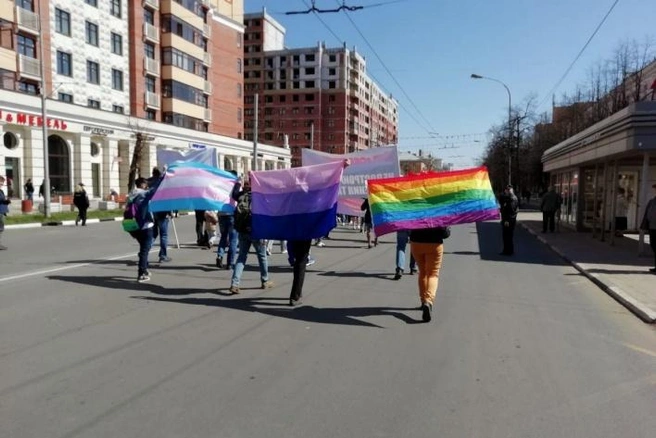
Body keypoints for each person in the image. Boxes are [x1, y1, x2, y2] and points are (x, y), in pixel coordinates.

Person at [228, 177, 274, 294]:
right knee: (262, 256)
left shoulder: (241, 196)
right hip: (256, 231)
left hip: (242, 231)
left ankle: (235, 283)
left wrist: (238, 183)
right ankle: (265, 280)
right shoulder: (259, 197)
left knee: (241, 257)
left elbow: (233, 194)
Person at [410, 225, 450, 322]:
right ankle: (428, 301)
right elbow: (445, 233)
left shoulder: (415, 210)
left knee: (422, 272)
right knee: (433, 274)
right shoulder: (437, 210)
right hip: (434, 244)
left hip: (416, 242)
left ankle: (423, 300)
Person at [128, 177, 156, 282]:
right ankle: (141, 273)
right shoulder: (143, 194)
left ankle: (144, 268)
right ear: (142, 184)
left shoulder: (131, 194)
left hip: (134, 226)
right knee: (145, 250)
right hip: (146, 225)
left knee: (144, 249)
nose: (147, 185)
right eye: (146, 184)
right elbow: (155, 189)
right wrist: (164, 176)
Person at [149, 167, 172, 263]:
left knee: (154, 234)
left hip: (153, 211)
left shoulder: (150, 182)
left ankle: (145, 250)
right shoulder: (162, 183)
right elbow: (168, 196)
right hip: (163, 211)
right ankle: (163, 255)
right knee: (164, 235)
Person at [640, 184, 656, 274]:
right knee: (653, 245)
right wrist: (644, 225)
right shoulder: (652, 201)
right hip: (652, 227)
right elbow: (647, 213)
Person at [499, 185, 519, 256]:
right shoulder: (511, 198)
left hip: (508, 221)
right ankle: (507, 250)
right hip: (509, 220)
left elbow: (511, 211)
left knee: (507, 236)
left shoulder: (512, 199)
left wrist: (507, 220)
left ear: (509, 191)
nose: (505, 192)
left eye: (506, 191)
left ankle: (508, 251)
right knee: (507, 236)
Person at [0, 176, 11, 250]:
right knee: (0, 228)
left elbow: (2, 200)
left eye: (2, 183)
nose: (1, 184)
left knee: (1, 228)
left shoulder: (1, 191)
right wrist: (5, 201)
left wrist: (7, 202)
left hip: (2, 211)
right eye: (0, 183)